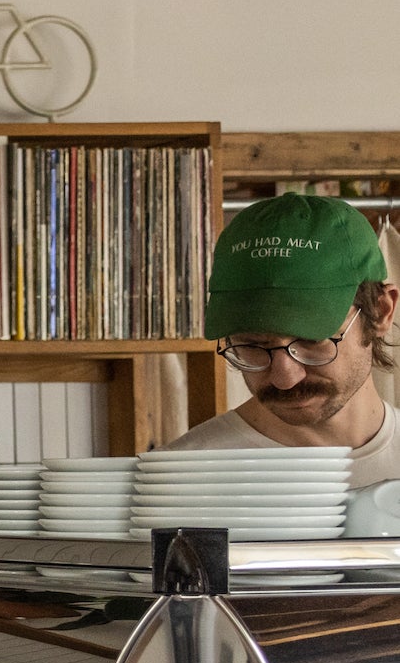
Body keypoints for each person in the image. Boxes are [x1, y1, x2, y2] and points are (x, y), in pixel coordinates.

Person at [165, 192, 400, 482]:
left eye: (311, 339)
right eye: (252, 345)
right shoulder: (179, 481)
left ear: (381, 312)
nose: (284, 378)